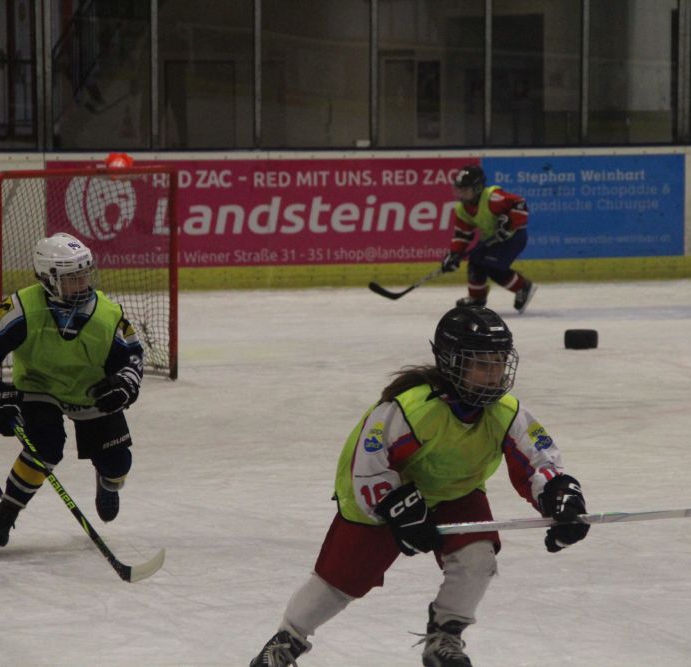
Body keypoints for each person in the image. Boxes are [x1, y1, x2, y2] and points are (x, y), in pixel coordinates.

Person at [249, 306, 590, 667]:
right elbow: (367, 467)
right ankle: (285, 641)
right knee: (340, 582)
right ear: (451, 362)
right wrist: (399, 508)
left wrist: (560, 498)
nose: (494, 375)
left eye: (499, 363)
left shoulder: (506, 413)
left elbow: (539, 461)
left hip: (454, 493)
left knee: (477, 559)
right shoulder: (410, 410)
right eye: (481, 364)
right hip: (380, 496)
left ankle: (444, 637)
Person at [0, 232, 144, 553]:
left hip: (91, 391)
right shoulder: (22, 307)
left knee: (117, 465)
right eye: (72, 278)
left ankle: (108, 482)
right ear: (48, 279)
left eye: (85, 275)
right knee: (43, 448)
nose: (82, 284)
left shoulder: (106, 314)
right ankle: (6, 512)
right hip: (38, 387)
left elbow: (131, 357)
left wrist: (123, 386)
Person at [439, 165, 537, 314]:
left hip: (513, 238)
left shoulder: (492, 198)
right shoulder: (462, 209)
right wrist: (454, 254)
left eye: (465, 190)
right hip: (491, 240)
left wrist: (509, 224)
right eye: (458, 189)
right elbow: (462, 235)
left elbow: (520, 204)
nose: (460, 194)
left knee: (493, 268)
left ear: (478, 188)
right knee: (475, 262)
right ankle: (477, 299)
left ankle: (523, 287)